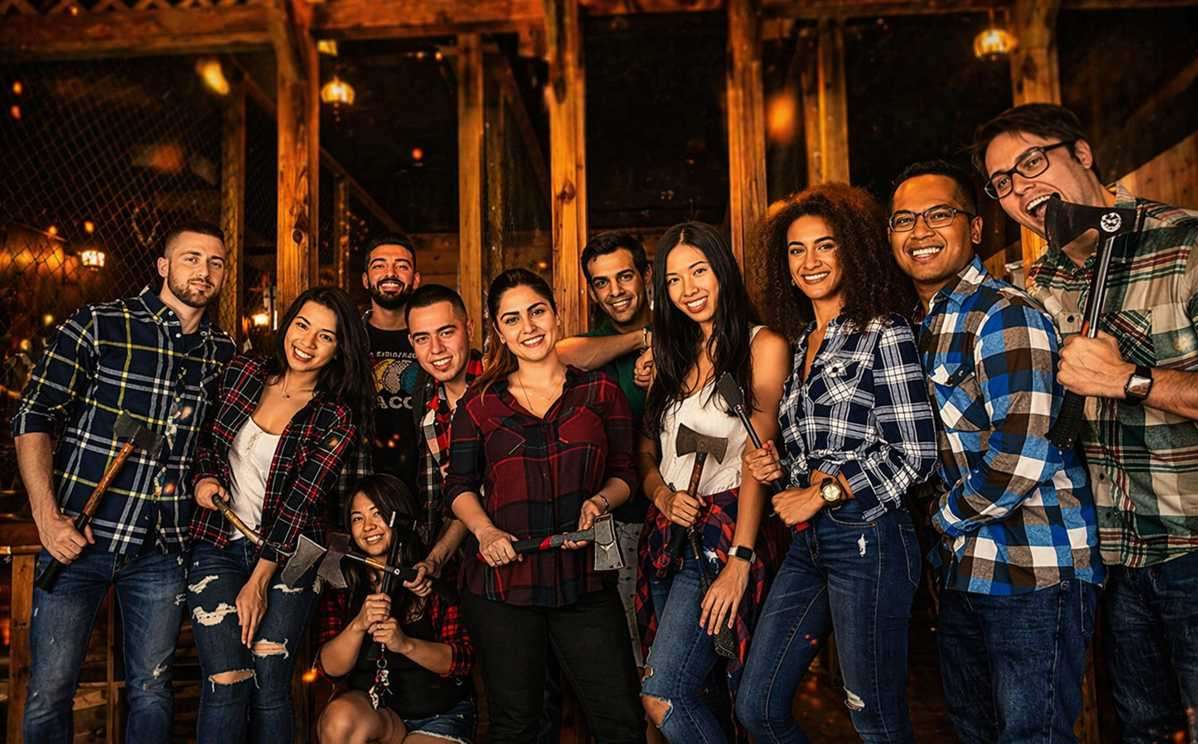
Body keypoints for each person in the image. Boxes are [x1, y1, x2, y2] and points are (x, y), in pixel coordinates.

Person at [975, 103, 1198, 743]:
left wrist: (1131, 381)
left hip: (1193, 549)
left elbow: (1119, 382)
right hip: (1114, 559)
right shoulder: (1041, 282)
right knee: (1143, 732)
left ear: (1082, 152)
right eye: (1004, 183)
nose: (1021, 188)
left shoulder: (1182, 241)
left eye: (1033, 162)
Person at [889, 159, 1103, 744]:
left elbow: (1021, 454)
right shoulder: (920, 325)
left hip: (1034, 567)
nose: (920, 232)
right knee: (974, 730)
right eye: (904, 220)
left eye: (939, 214)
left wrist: (940, 518)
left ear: (976, 227)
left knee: (1031, 735)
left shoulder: (1003, 313)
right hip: (965, 571)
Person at [13, 220, 233, 744]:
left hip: (162, 550)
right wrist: (46, 516)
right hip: (78, 541)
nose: (203, 271)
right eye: (191, 258)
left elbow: (215, 447)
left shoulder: (221, 353)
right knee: (49, 689)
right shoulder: (100, 324)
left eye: (216, 262)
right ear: (163, 266)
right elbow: (34, 415)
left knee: (152, 691)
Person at [736, 184, 937, 743]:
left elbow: (915, 454)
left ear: (852, 249)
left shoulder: (883, 331)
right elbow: (824, 447)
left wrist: (822, 493)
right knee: (759, 706)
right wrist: (782, 467)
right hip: (811, 544)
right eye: (797, 251)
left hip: (870, 540)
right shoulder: (803, 343)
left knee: (874, 719)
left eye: (825, 246)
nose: (811, 262)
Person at [443, 268, 645, 744]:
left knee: (620, 720)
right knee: (520, 725)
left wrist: (600, 500)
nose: (528, 327)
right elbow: (459, 486)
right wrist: (485, 532)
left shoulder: (599, 392)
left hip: (584, 579)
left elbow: (626, 476)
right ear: (498, 330)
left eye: (536, 312)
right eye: (512, 319)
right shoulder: (480, 404)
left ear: (556, 314)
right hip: (503, 585)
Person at [187, 286, 373, 743]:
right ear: (287, 323)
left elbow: (299, 504)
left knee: (271, 683)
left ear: (339, 350)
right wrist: (205, 478)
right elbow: (207, 440)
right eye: (302, 325)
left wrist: (259, 581)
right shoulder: (242, 372)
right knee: (227, 679)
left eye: (325, 336)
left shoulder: (335, 417)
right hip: (217, 543)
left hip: (294, 555)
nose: (307, 342)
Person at [636, 222, 790, 743]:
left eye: (699, 271)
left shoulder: (760, 345)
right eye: (675, 279)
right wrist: (661, 494)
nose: (689, 289)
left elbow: (756, 450)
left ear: (722, 270)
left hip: (722, 539)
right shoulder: (670, 357)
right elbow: (647, 451)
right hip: (667, 540)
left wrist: (740, 559)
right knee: (698, 696)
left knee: (665, 694)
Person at [317, 474, 475, 744]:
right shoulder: (344, 582)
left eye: (378, 514)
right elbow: (329, 668)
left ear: (400, 517)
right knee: (339, 721)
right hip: (378, 711)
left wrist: (404, 644)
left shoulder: (433, 576)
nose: (368, 527)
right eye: (357, 518)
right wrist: (358, 624)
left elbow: (461, 661)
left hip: (439, 715)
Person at [556, 231, 654, 666]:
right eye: (601, 282)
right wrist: (643, 339)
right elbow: (562, 353)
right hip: (616, 523)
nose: (614, 292)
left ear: (646, 275)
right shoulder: (595, 344)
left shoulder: (685, 331)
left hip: (687, 513)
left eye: (625, 277)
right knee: (629, 652)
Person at [404, 284, 481, 584]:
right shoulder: (428, 409)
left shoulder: (504, 389)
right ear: (411, 341)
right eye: (423, 338)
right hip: (462, 564)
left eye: (447, 332)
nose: (435, 349)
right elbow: (455, 495)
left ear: (469, 328)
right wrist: (435, 558)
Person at [359, 233, 424, 497]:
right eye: (379, 265)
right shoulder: (347, 343)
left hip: (422, 482)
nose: (391, 273)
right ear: (366, 279)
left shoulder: (432, 342)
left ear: (416, 280)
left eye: (402, 266)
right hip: (359, 481)